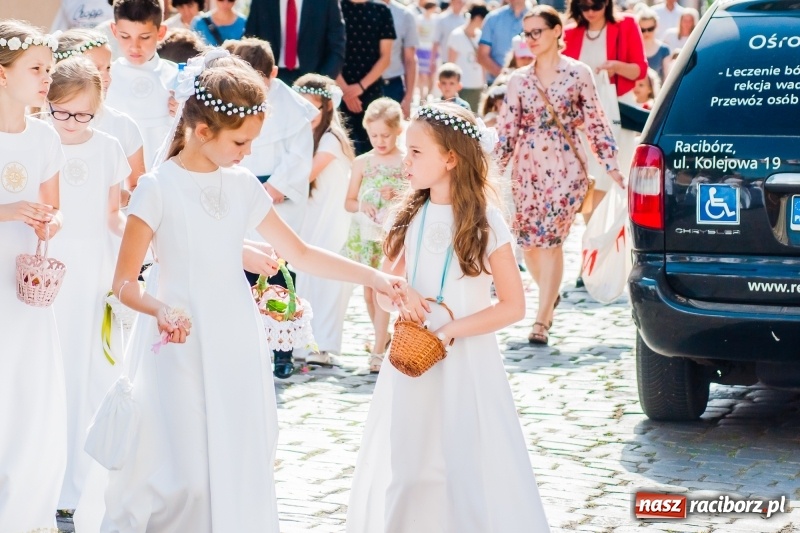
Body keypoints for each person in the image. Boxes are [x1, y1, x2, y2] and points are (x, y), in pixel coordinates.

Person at [98, 52, 406, 531]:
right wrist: (160, 310)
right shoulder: (157, 187)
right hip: (177, 342)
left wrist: (374, 277)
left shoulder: (242, 184)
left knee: (239, 448)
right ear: (202, 131)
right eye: (241, 142)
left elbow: (300, 253)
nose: (248, 154)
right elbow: (124, 285)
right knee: (182, 470)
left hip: (234, 334)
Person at [346, 102, 551, 532]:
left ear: (451, 158)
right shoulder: (411, 214)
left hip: (465, 361)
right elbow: (387, 292)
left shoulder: (485, 221)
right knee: (408, 459)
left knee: (463, 461)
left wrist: (449, 331)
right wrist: (399, 298)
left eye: (416, 152)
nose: (406, 160)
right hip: (412, 361)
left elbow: (513, 306)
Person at [495, 7, 624, 345]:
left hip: (567, 169)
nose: (531, 40)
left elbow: (596, 121)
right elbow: (506, 132)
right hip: (527, 170)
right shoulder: (518, 80)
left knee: (551, 243)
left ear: (556, 31)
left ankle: (542, 320)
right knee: (530, 246)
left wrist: (611, 165)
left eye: (537, 32)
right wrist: (490, 173)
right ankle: (548, 295)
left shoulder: (578, 73)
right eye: (527, 34)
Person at [46, 57, 131, 518]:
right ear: (49, 103)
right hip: (47, 269)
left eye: (84, 114)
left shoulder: (109, 147)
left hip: (94, 268)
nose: (72, 123)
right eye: (62, 113)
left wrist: (141, 253)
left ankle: (82, 483)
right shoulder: (38, 139)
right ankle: (48, 476)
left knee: (91, 372)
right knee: (53, 370)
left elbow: (113, 215)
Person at [0, 20, 67, 533]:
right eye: (36, 69)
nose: (47, 78)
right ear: (3, 74)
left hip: (28, 284)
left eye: (49, 68)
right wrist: (10, 211)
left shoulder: (45, 137)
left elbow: (55, 207)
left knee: (29, 390)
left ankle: (23, 509)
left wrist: (47, 220)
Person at [225, 37, 319, 378]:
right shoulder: (231, 95)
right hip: (238, 184)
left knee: (279, 269)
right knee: (239, 265)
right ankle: (245, 340)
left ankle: (282, 348)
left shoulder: (294, 107)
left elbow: (299, 154)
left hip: (275, 193)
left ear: (273, 73)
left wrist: (275, 186)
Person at [293, 74, 356, 367]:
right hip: (314, 217)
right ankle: (303, 341)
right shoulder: (307, 135)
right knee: (307, 277)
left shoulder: (331, 139)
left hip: (332, 219)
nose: (307, 114)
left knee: (325, 278)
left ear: (327, 107)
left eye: (313, 107)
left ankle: (322, 344)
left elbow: (302, 176)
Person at [563, 0, 646, 224]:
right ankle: (593, 233)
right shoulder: (570, 33)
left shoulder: (627, 24)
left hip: (617, 110)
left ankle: (616, 233)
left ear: (607, 3)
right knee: (589, 178)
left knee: (616, 176)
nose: (590, 11)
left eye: (596, 5)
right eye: (584, 6)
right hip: (582, 117)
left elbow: (640, 70)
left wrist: (614, 66)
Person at [343, 98, 406, 373]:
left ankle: (379, 349)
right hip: (365, 235)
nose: (379, 141)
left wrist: (398, 195)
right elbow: (349, 201)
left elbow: (418, 195)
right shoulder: (362, 162)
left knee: (383, 292)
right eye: (374, 135)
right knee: (369, 295)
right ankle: (383, 336)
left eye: (386, 135)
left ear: (398, 131)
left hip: (390, 237)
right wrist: (362, 205)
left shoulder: (405, 161)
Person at [55, 29, 146, 201]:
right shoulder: (44, 124)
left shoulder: (123, 126)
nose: (106, 78)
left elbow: (138, 189)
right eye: (96, 69)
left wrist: (115, 197)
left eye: (108, 68)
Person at [105, 0, 179, 170]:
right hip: (118, 178)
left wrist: (185, 113)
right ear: (114, 31)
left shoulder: (177, 77)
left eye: (144, 37)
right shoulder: (105, 77)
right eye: (125, 36)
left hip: (163, 175)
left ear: (160, 32)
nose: (134, 46)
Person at [338, 0, 396, 156]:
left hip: (370, 92)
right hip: (337, 90)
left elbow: (385, 58)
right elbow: (328, 51)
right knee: (340, 150)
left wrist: (359, 87)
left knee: (374, 148)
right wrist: (345, 91)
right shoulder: (334, 7)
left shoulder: (382, 10)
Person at [244, 0, 346, 85]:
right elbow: (249, 42)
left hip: (313, 79)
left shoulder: (326, 2)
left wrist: (321, 82)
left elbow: (337, 47)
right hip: (270, 79)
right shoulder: (261, 2)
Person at [381, 0, 419, 119]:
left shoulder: (405, 15)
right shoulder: (359, 6)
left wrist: (408, 99)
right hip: (361, 87)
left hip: (392, 87)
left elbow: (410, 59)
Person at [477, 0, 531, 84]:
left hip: (532, 85)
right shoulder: (492, 18)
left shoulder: (538, 19)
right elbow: (482, 55)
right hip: (498, 86)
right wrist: (505, 77)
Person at [447, 1, 488, 111]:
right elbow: (451, 64)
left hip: (478, 86)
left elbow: (483, 61)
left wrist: (484, 83)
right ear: (478, 18)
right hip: (462, 86)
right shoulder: (457, 35)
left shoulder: (481, 35)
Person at [430, 0, 465, 74]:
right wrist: (432, 60)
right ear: (451, 2)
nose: (461, 4)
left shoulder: (466, 19)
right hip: (446, 61)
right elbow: (436, 41)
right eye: (458, 2)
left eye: (462, 2)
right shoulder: (442, 19)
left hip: (463, 62)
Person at [415, 1, 439, 103]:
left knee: (431, 75)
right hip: (421, 49)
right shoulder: (420, 19)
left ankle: (429, 94)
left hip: (431, 49)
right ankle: (422, 96)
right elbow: (417, 33)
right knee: (422, 75)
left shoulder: (435, 20)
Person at [638, 9, 671, 81]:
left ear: (656, 26)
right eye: (642, 30)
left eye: (650, 29)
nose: (646, 33)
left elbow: (667, 77)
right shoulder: (633, 49)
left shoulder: (664, 50)